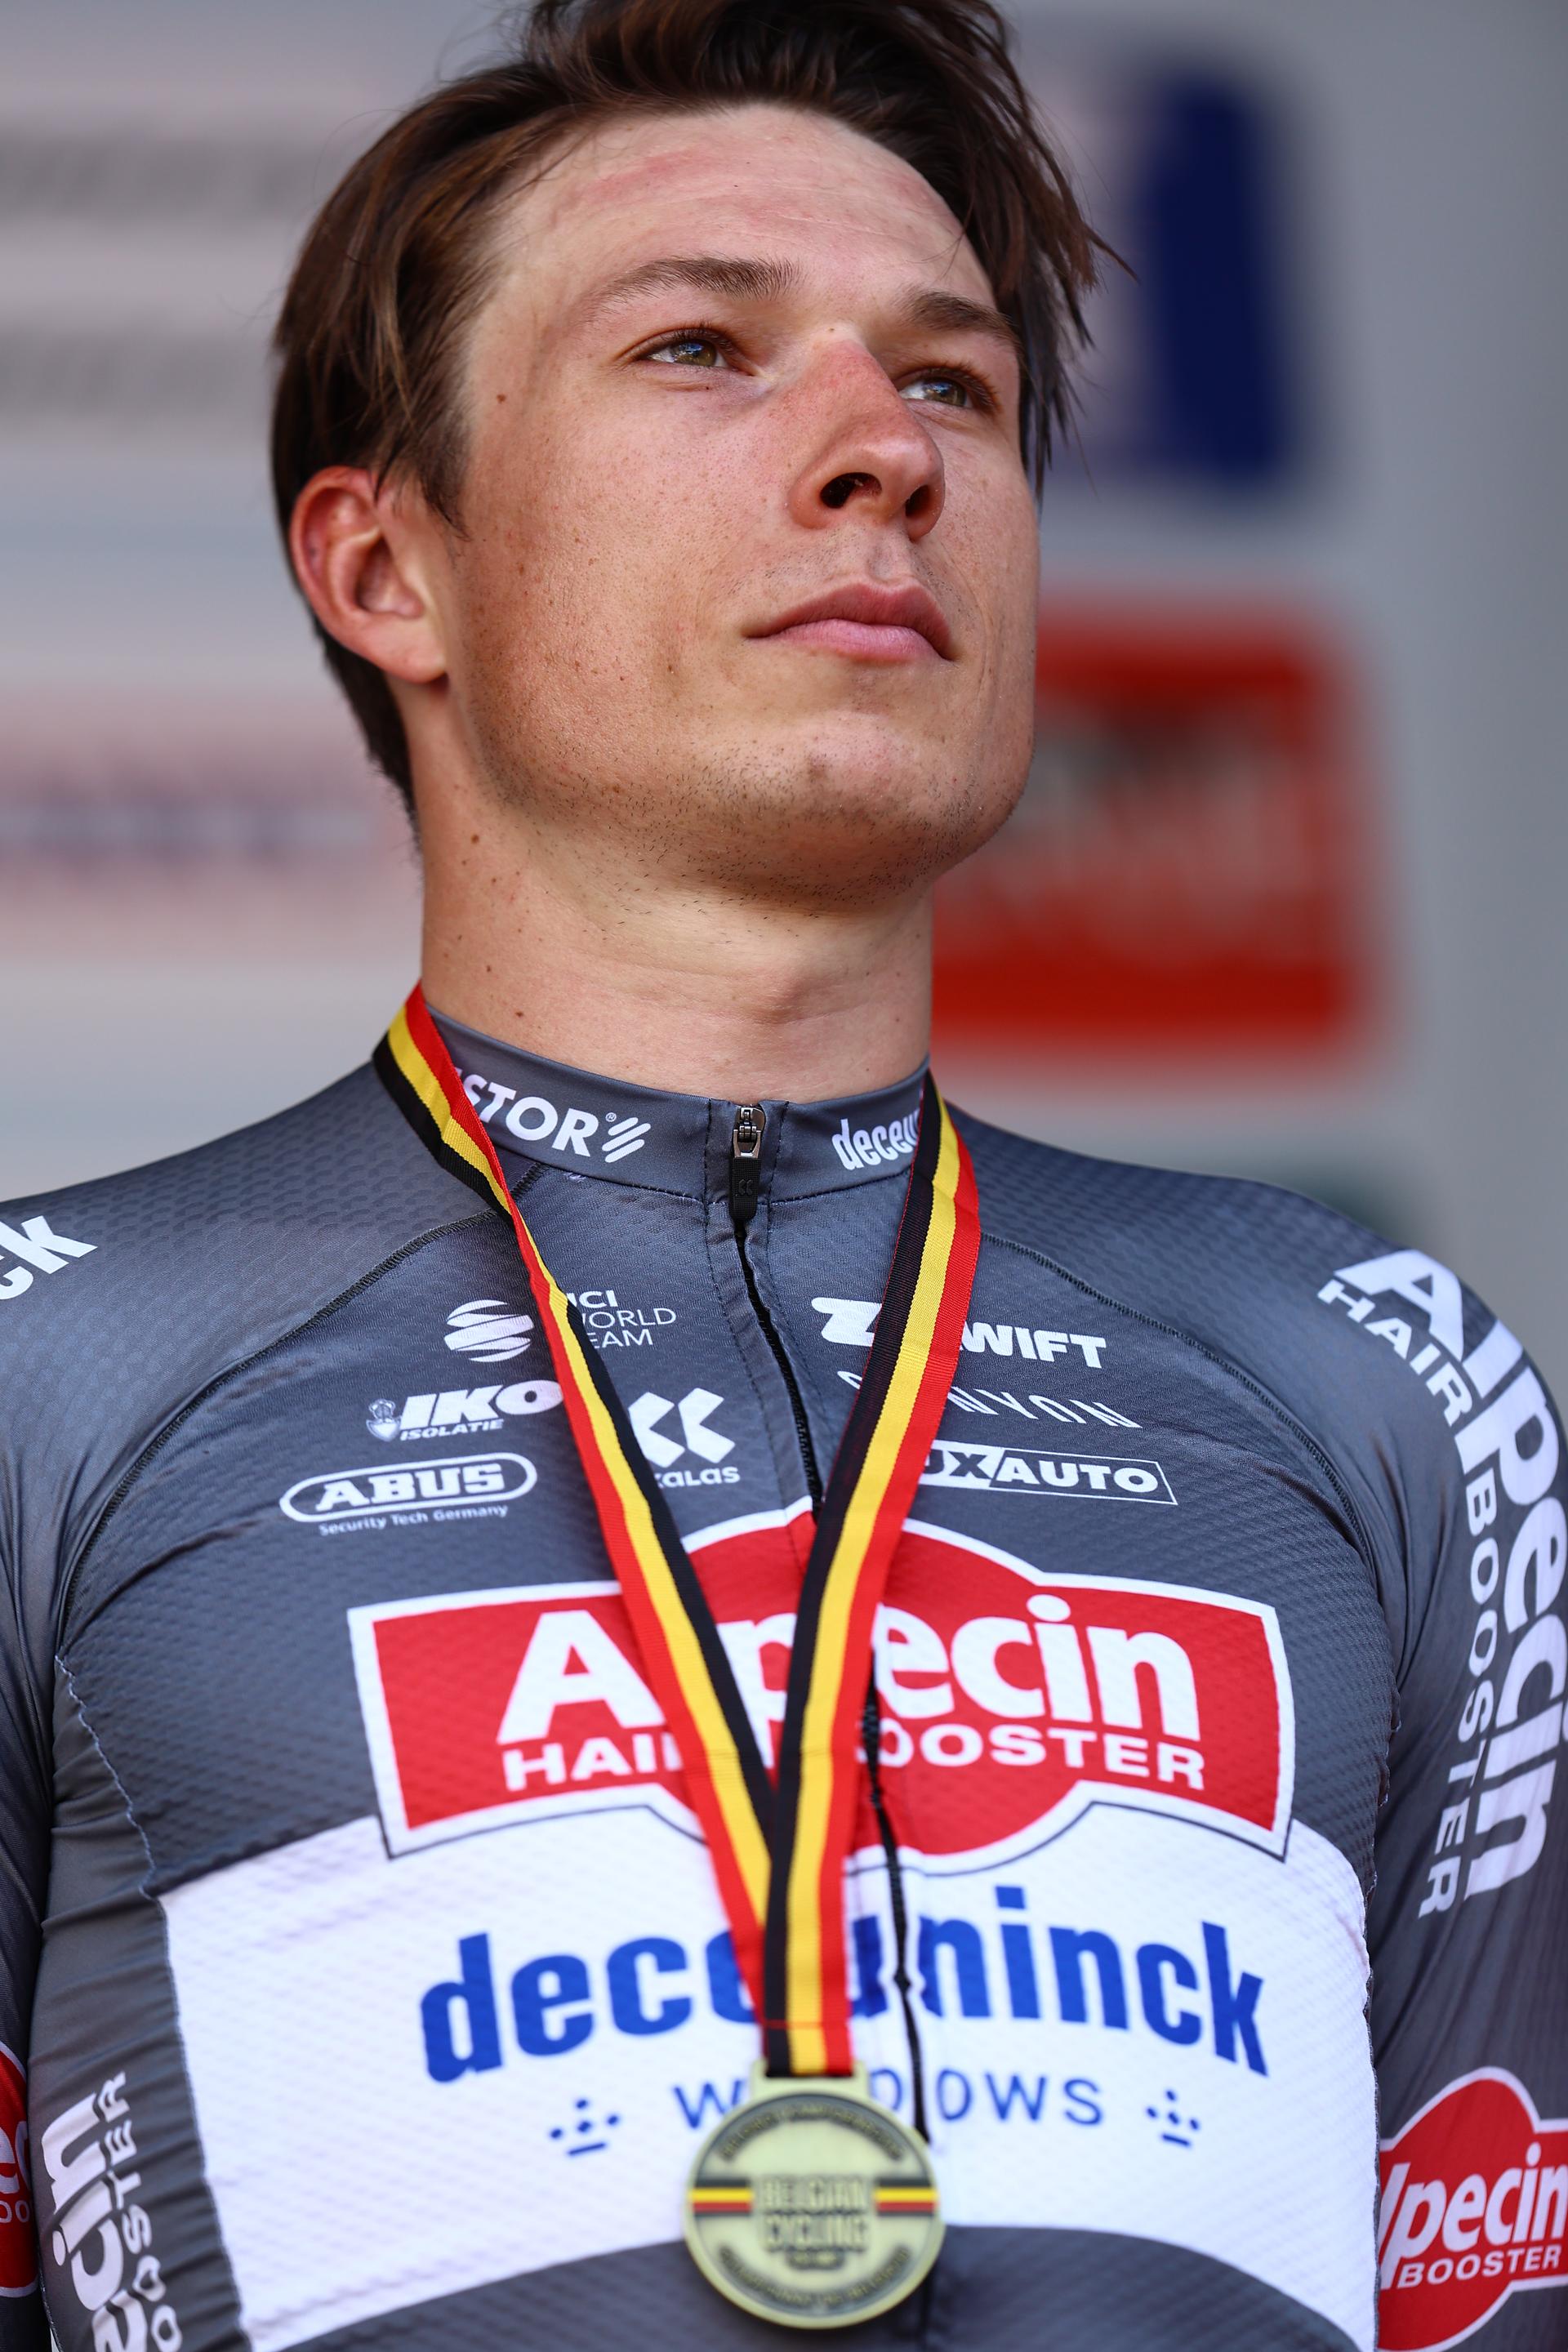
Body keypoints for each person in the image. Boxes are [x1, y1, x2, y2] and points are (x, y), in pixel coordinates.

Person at [1, 0, 1562, 2345]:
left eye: (951, 385)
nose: (880, 454)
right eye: (706, 348)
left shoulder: (1374, 1375)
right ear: (383, 567)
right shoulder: (58, 1362)